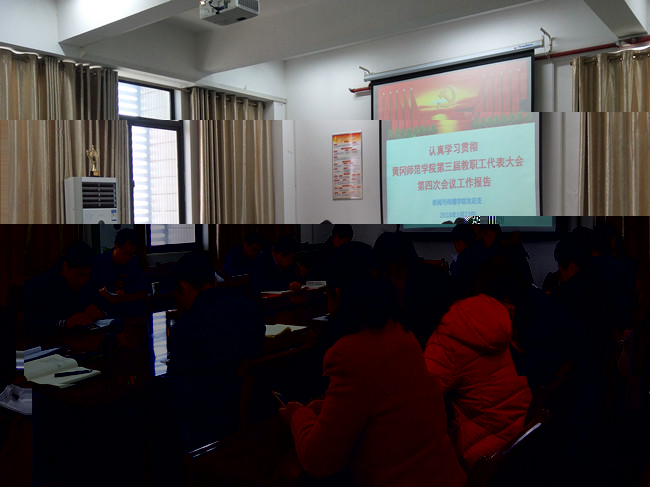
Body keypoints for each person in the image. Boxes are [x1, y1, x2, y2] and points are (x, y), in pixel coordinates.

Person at [280, 242, 466, 487]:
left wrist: (298, 414)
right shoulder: (403, 334)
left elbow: (318, 460)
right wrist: (327, 408)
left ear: (336, 295)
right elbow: (384, 405)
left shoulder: (349, 355)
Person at [167, 251, 265, 450]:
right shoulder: (250, 310)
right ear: (214, 281)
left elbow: (180, 391)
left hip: (208, 430)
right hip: (254, 416)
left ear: (183, 286)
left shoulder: (186, 327)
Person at [424, 292, 532, 470]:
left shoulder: (446, 337)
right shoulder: (484, 310)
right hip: (522, 426)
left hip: (487, 453)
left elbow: (419, 394)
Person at [24, 242, 105, 340]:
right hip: (51, 344)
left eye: (86, 275)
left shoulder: (89, 283)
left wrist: (99, 312)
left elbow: (104, 305)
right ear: (65, 267)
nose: (82, 280)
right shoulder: (38, 287)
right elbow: (30, 324)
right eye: (78, 275)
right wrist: (65, 323)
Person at [92, 228, 148, 314]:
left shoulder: (133, 262)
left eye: (131, 254)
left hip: (128, 307)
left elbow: (143, 285)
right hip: (106, 309)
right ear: (116, 246)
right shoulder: (99, 262)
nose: (128, 258)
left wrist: (126, 291)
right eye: (126, 253)